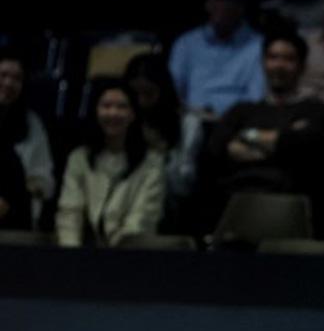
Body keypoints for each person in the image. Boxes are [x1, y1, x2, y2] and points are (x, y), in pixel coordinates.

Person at [207, 29, 324, 202]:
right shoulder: (242, 110)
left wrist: (246, 135)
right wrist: (281, 143)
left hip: (289, 200)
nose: (279, 65)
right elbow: (217, 147)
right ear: (263, 63)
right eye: (273, 57)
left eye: (288, 59)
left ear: (302, 66)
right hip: (236, 196)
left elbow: (307, 146)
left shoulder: (314, 110)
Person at [55, 81, 166, 247]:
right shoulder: (79, 158)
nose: (113, 113)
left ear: (133, 114)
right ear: (96, 111)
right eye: (106, 106)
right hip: (84, 255)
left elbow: (143, 219)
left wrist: (112, 257)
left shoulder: (152, 163)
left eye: (121, 107)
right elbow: (70, 213)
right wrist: (71, 254)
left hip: (130, 255)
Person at [168, 0, 266, 118]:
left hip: (237, 120)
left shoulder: (259, 45)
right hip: (192, 117)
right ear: (207, 4)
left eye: (229, 0)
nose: (223, 6)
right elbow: (174, 88)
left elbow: (257, 95)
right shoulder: (186, 43)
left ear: (241, 7)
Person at [124, 53, 205, 210]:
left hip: (169, 205)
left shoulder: (188, 124)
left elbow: (183, 186)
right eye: (134, 94)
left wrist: (160, 157)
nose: (141, 101)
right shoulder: (123, 117)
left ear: (163, 89)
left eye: (148, 93)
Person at [0, 47, 55, 223]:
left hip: (15, 214)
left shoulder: (32, 123)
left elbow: (44, 182)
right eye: (3, 75)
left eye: (17, 78)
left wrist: (15, 195)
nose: (9, 83)